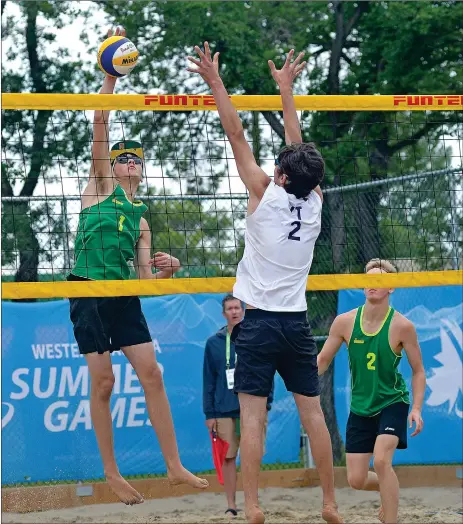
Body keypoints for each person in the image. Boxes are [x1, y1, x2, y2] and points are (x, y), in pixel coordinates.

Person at [188, 43, 342, 524]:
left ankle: (251, 506)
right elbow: (299, 152)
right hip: (296, 325)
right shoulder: (314, 200)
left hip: (254, 324)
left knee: (252, 419)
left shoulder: (263, 192)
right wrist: (286, 92)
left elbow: (235, 133)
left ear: (278, 175)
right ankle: (330, 504)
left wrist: (216, 83)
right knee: (312, 415)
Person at [68, 27, 208, 506]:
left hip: (122, 291)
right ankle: (111, 472)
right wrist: (110, 80)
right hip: (86, 287)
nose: (127, 162)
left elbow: (145, 280)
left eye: (135, 159)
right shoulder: (100, 185)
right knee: (103, 381)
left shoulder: (142, 218)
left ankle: (173, 466)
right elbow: (100, 127)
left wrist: (165, 270)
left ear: (142, 169)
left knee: (152, 373)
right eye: (122, 157)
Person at [317, 258, 426, 524]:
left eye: (379, 280)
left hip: (392, 402)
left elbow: (419, 371)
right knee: (355, 479)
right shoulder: (344, 322)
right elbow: (321, 361)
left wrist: (416, 409)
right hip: (361, 407)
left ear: (391, 288)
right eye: (368, 280)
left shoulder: (402, 326)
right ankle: (389, 491)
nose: (372, 285)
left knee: (381, 461)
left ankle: (390, 516)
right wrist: (299, 383)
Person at [203, 295, 274, 517]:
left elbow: (268, 372)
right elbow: (209, 380)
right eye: (230, 308)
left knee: (253, 455)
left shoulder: (256, 338)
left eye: (237, 307)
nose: (234, 311)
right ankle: (231, 505)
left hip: (253, 405)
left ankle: (252, 503)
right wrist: (209, 413)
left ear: (243, 311)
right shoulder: (213, 342)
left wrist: (267, 402)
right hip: (224, 409)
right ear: (223, 314)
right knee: (229, 457)